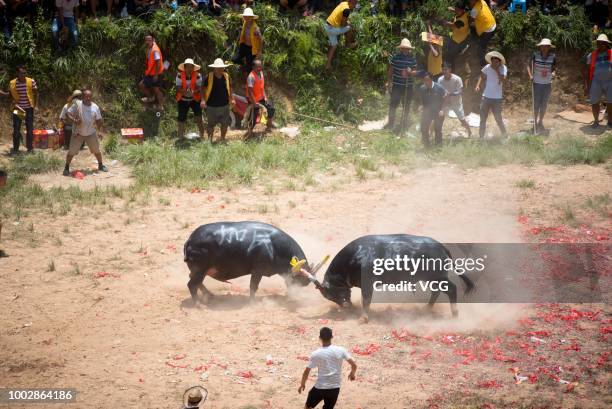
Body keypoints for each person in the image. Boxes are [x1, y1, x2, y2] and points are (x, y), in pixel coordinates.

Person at [298, 327, 357, 409]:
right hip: (335, 387)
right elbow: (354, 365)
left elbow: (307, 371)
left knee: (308, 407)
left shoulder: (316, 354)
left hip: (320, 387)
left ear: (320, 338)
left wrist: (302, 384)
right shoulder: (341, 350)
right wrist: (352, 374)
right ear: (332, 337)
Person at [62, 89, 108, 176]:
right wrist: (74, 120)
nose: (88, 98)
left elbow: (99, 120)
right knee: (71, 152)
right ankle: (66, 168)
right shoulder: (77, 105)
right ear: (83, 97)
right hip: (78, 133)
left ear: (91, 97)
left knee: (96, 150)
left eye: (89, 96)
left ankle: (101, 165)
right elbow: (68, 113)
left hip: (90, 133)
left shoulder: (95, 107)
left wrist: (99, 131)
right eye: (86, 96)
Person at [384, 38, 418, 134]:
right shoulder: (395, 57)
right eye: (404, 48)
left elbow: (415, 72)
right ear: (401, 48)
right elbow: (390, 70)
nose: (405, 50)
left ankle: (404, 124)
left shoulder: (412, 59)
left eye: (407, 48)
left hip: (408, 86)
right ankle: (391, 124)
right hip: (397, 85)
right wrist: (389, 81)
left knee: (406, 106)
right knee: (393, 105)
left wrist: (410, 72)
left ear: (409, 49)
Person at [5, 66, 38, 155]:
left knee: (29, 129)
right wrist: (3, 93)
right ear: (18, 74)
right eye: (22, 73)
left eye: (25, 73)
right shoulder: (12, 83)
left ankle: (30, 149)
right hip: (17, 108)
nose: (24, 74)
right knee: (16, 129)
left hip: (28, 109)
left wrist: (35, 104)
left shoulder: (31, 81)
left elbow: (35, 93)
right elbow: (10, 94)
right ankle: (15, 149)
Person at [475, 51, 508, 139]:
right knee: (483, 118)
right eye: (492, 60)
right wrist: (478, 85)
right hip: (486, 96)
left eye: (496, 61)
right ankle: (481, 137)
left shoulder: (503, 68)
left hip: (497, 98)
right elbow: (481, 76)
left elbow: (503, 80)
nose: (494, 63)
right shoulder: (487, 67)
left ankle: (505, 135)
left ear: (499, 61)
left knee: (498, 119)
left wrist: (497, 70)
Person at [527, 38, 556, 134]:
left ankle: (540, 122)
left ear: (549, 47)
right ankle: (535, 122)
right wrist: (530, 75)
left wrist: (553, 73)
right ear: (540, 47)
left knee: (544, 105)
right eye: (542, 46)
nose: (544, 48)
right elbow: (528, 65)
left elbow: (554, 68)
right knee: (536, 104)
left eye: (546, 46)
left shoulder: (553, 57)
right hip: (537, 83)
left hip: (547, 84)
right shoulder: (535, 55)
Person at [202, 58, 235, 144]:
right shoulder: (209, 76)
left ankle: (222, 139)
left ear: (224, 68)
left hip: (224, 105)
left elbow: (230, 88)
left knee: (225, 124)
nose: (220, 69)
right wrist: (203, 100)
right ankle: (209, 141)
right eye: (218, 68)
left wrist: (232, 99)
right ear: (214, 68)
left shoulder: (227, 76)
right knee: (210, 125)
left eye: (221, 67)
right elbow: (202, 89)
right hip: (211, 106)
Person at [584, 33, 611, 128]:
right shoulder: (591, 55)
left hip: (610, 81)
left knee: (610, 102)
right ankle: (596, 121)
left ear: (606, 44)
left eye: (603, 43)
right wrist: (586, 85)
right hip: (596, 81)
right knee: (594, 102)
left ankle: (610, 122)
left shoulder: (611, 53)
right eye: (599, 43)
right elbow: (586, 72)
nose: (600, 45)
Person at [438, 64, 472, 137]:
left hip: (456, 102)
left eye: (446, 69)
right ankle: (436, 134)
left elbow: (460, 91)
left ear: (450, 70)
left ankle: (469, 131)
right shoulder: (440, 80)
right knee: (440, 118)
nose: (444, 71)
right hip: (445, 103)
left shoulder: (457, 79)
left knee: (462, 120)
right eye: (443, 69)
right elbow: (439, 91)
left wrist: (450, 93)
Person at [176, 58, 205, 140]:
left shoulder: (198, 75)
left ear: (193, 67)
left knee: (199, 117)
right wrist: (183, 92)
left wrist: (194, 91)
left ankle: (202, 136)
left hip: (194, 99)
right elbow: (178, 87)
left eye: (191, 67)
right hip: (182, 99)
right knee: (181, 118)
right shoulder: (179, 75)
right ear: (184, 68)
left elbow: (199, 88)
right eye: (187, 67)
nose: (189, 68)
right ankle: (181, 137)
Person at [324, 0, 357, 71]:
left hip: (327, 25)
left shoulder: (343, 3)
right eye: (355, 4)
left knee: (334, 45)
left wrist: (346, 21)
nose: (354, 7)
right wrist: (349, 24)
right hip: (332, 29)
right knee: (350, 28)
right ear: (352, 2)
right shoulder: (347, 10)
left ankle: (328, 64)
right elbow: (343, 24)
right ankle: (348, 44)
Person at [246, 59, 275, 136]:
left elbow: (262, 87)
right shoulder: (251, 77)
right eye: (257, 67)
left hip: (261, 98)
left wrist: (265, 97)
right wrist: (254, 103)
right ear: (253, 67)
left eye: (260, 66)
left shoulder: (261, 73)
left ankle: (269, 126)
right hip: (253, 99)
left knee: (271, 108)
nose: (259, 68)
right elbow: (250, 92)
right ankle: (249, 133)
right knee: (253, 117)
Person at [419, 72, 447, 148]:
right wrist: (421, 106)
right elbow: (422, 99)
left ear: (431, 80)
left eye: (427, 80)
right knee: (423, 128)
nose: (425, 82)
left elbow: (445, 97)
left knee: (437, 129)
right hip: (427, 111)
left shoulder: (439, 88)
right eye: (424, 80)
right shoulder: (422, 88)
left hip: (438, 111)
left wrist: (442, 109)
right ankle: (426, 146)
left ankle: (438, 147)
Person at [138, 33, 165, 111]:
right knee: (152, 88)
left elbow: (158, 62)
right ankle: (151, 98)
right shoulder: (150, 48)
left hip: (155, 74)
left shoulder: (155, 50)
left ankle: (159, 105)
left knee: (154, 89)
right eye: (146, 40)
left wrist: (156, 75)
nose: (147, 41)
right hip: (150, 73)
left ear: (153, 40)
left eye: (149, 40)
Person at [231, 7, 262, 73]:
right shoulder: (245, 23)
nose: (246, 17)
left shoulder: (255, 28)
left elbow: (260, 39)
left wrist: (259, 51)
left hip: (251, 49)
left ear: (251, 17)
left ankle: (248, 77)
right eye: (245, 16)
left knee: (249, 68)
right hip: (243, 46)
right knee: (234, 59)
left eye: (248, 16)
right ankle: (243, 64)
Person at [468, 0, 496, 66]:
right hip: (492, 24)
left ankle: (483, 65)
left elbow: (470, 20)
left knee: (480, 49)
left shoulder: (474, 10)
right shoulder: (483, 2)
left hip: (487, 30)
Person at [442, 2, 470, 69]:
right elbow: (458, 11)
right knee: (448, 51)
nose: (456, 11)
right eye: (456, 9)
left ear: (462, 10)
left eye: (458, 10)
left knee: (450, 57)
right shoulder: (464, 13)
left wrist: (442, 21)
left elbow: (452, 25)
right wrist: (452, 9)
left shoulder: (462, 21)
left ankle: (450, 69)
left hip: (458, 41)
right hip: (456, 37)